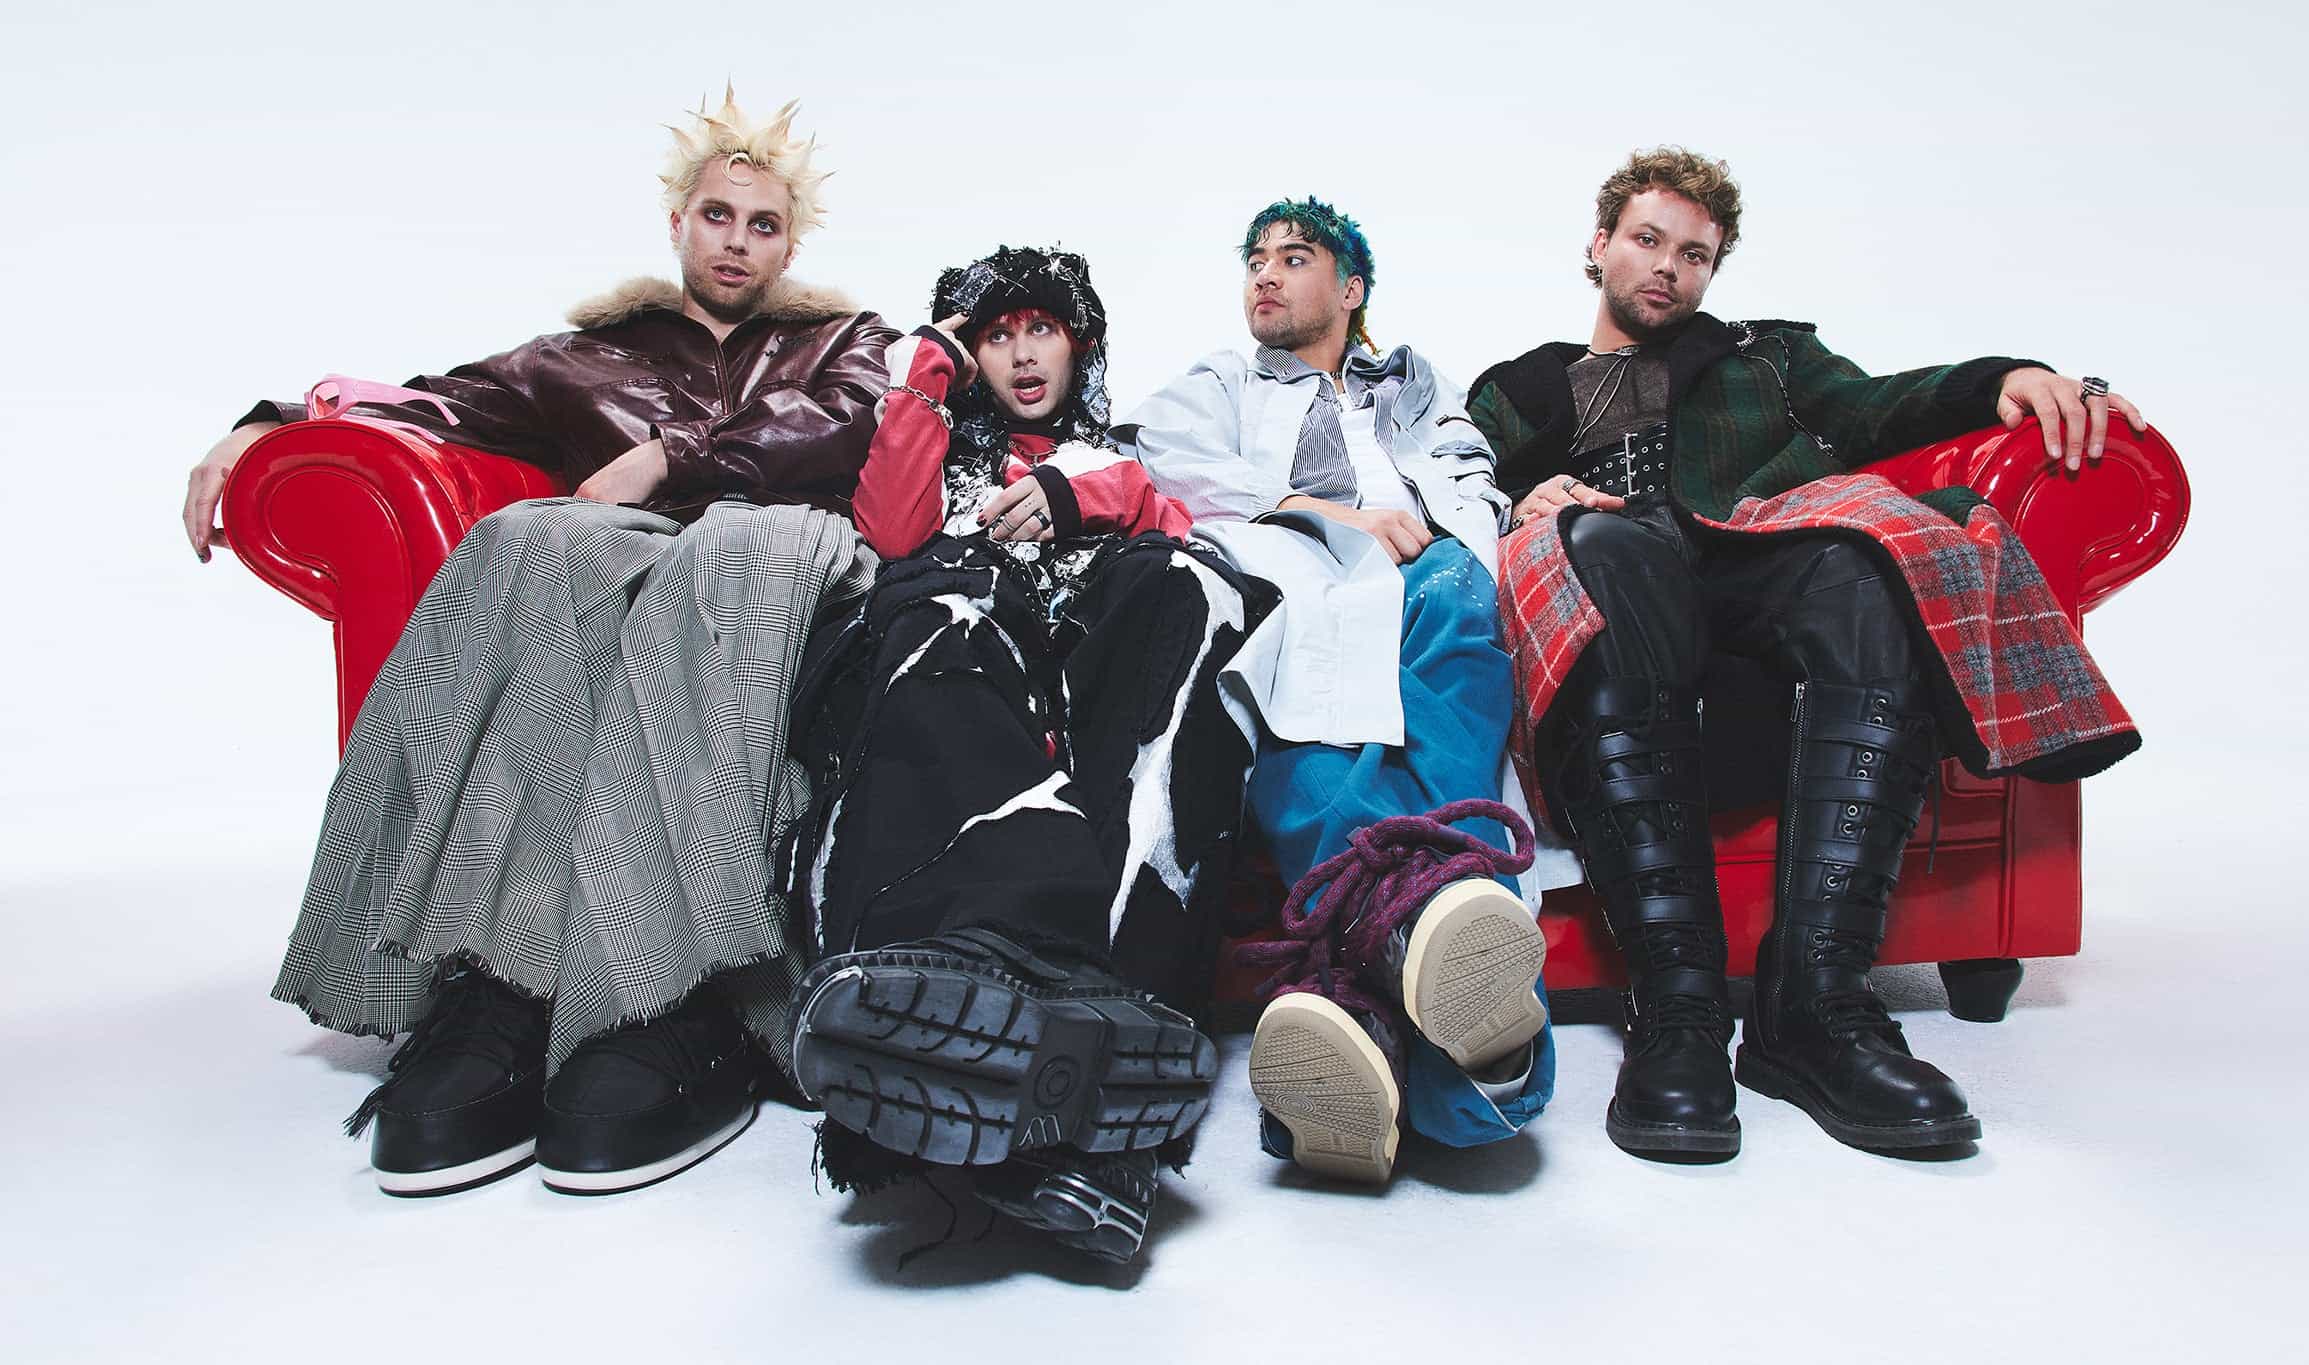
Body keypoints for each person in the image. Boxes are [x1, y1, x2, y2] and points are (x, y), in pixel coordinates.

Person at [181, 88, 895, 1197]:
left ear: (789, 246)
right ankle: (502, 976)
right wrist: (267, 424)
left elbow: (850, 423)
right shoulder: (580, 357)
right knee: (532, 540)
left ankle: (686, 991)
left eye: (763, 225)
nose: (736, 242)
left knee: (727, 554)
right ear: (678, 222)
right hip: (632, 565)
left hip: (778, 556)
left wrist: (669, 457)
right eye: (717, 215)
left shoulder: (841, 341)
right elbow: (426, 403)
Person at [1469, 148, 2145, 1159]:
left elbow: (1884, 406)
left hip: (1745, 556)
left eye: (1694, 255)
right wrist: (1524, 500)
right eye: (1647, 240)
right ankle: (1679, 1007)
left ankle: (1816, 1005)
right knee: (1598, 543)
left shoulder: (1765, 359)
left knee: (1866, 558)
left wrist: (2006, 379)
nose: (1666, 267)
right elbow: (1444, 483)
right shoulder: (1520, 390)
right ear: (1599, 245)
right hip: (1614, 578)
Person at [785, 246, 1270, 1262]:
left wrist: (1076, 495)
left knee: (1190, 590)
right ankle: (981, 991)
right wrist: (929, 366)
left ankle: (1120, 1022)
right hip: (970, 668)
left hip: (1088, 680)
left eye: (1039, 329)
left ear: (1077, 343)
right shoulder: (938, 447)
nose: (1020, 354)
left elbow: (1170, 525)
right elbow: (891, 530)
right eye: (995, 337)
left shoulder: (1112, 460)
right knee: (940, 604)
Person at [1117, 199, 1553, 1186]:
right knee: (1296, 699)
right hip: (1295, 582)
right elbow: (1166, 459)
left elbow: (1467, 473)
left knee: (1453, 605)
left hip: (1422, 582)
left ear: (1350, 290)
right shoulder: (1220, 384)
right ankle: (1482, 1075)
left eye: (1294, 257)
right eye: (1254, 260)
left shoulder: (1415, 385)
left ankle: (1360, 994)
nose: (1265, 274)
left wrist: (1448, 527)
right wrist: (1321, 512)